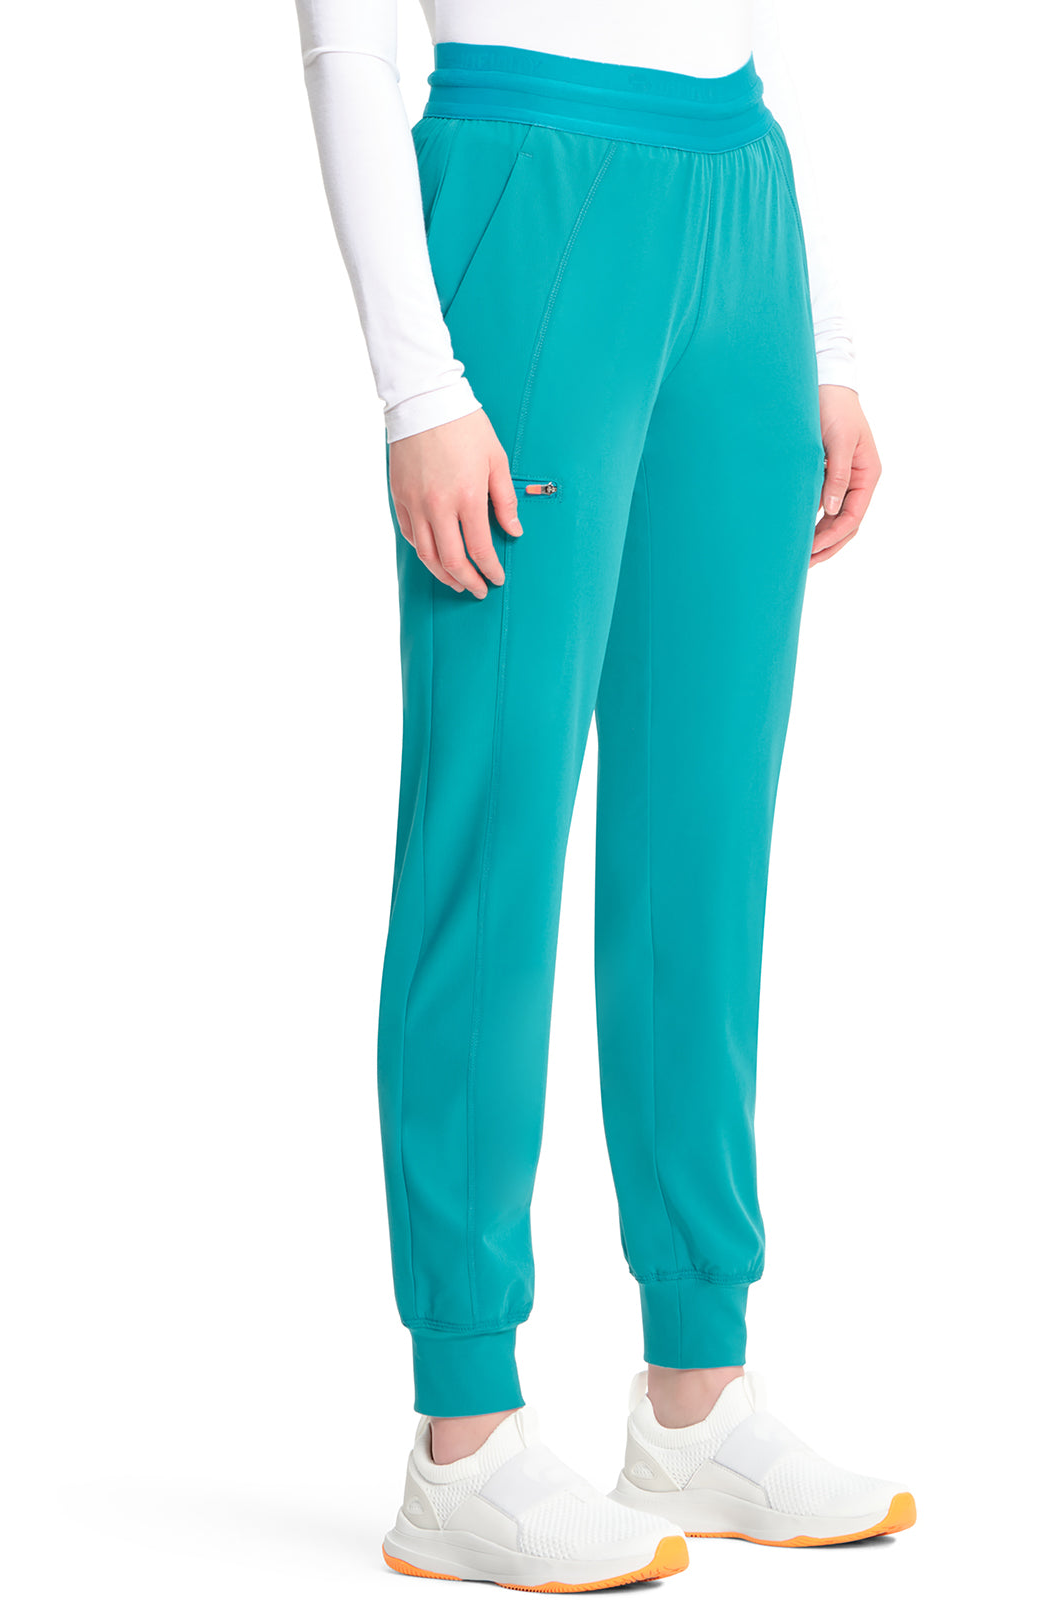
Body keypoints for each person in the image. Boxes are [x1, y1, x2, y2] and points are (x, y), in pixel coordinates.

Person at [295, 2, 914, 1587]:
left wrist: (828, 338)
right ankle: (465, 1435)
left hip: (741, 204)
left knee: (705, 846)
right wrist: (417, 387)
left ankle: (698, 1392)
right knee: (492, 837)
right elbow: (349, 45)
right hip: (530, 187)